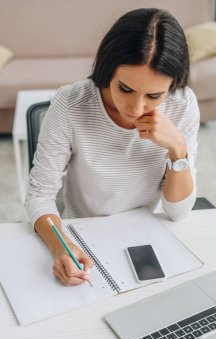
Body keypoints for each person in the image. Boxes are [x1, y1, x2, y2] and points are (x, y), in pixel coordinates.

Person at [25, 8, 200, 286]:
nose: (136, 108)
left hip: (150, 233)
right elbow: (39, 195)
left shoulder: (183, 104)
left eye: (154, 95)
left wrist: (178, 148)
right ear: (108, 69)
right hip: (84, 234)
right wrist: (60, 246)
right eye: (125, 88)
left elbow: (178, 212)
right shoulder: (70, 104)